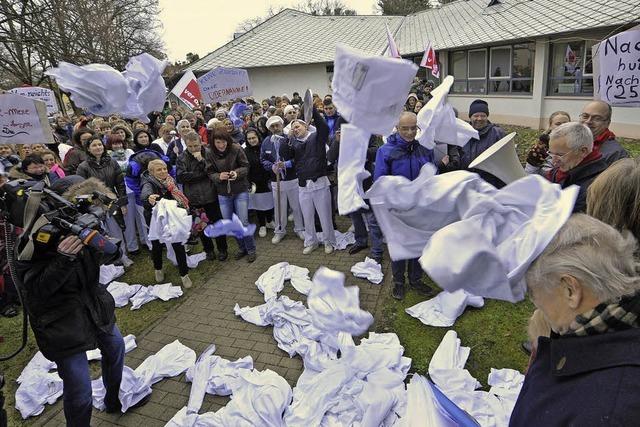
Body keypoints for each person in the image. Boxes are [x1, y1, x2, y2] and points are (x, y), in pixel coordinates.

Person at [14, 176, 133, 426]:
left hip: (95, 307)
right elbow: (35, 290)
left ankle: (112, 399)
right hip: (60, 321)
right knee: (80, 390)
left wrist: (108, 248)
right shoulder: (36, 238)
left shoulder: (87, 222)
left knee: (116, 349)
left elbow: (110, 257)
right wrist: (63, 259)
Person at [510, 214, 640, 426]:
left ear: (570, 290)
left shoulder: (609, 410)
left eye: (534, 293)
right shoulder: (621, 320)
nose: (536, 304)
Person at [374, 112, 436, 300]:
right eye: (405, 128)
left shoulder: (425, 150)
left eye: (413, 128)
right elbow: (380, 181)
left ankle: (416, 279)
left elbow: (432, 177)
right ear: (397, 128)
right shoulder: (385, 151)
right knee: (399, 247)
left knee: (417, 246)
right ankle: (399, 281)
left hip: (419, 209)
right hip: (397, 210)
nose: (409, 132)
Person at [327, 128, 384, 260]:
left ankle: (377, 251)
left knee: (371, 219)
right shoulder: (338, 134)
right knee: (355, 215)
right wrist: (337, 142)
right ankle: (361, 241)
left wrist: (360, 150)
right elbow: (330, 157)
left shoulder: (367, 132)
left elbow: (377, 151)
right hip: (349, 183)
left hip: (366, 182)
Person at [76, 135, 130, 265]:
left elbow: (120, 183)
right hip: (95, 204)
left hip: (112, 200)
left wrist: (122, 202)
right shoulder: (83, 167)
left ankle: (122, 256)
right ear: (88, 149)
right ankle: (109, 258)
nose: (98, 147)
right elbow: (81, 189)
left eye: (99, 144)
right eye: (94, 145)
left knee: (116, 229)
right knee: (103, 232)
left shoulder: (112, 162)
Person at [176, 131, 228, 261]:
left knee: (217, 223)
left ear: (200, 143)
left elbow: (213, 171)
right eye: (190, 146)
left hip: (211, 195)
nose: (194, 149)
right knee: (201, 226)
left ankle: (222, 249)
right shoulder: (182, 157)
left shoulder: (208, 153)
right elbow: (181, 177)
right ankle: (209, 250)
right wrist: (200, 174)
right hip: (194, 198)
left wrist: (201, 160)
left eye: (196, 146)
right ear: (186, 145)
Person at [206, 131, 257, 262]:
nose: (221, 145)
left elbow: (246, 166)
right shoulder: (210, 152)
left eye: (224, 142)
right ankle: (242, 248)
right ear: (213, 142)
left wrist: (236, 173)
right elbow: (209, 171)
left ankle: (251, 249)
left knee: (243, 221)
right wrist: (218, 176)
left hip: (240, 190)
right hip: (223, 192)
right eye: (218, 142)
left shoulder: (236, 148)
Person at [141, 160, 192, 287]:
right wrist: (149, 197)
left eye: (164, 168)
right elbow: (145, 195)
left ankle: (184, 274)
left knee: (178, 244)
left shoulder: (170, 180)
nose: (163, 171)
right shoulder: (148, 182)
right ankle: (158, 269)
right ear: (152, 172)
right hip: (156, 219)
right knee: (157, 246)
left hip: (172, 218)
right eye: (159, 170)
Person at [260, 115, 305, 244]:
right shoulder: (266, 142)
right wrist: (272, 166)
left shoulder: (290, 138)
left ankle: (299, 229)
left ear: (281, 125)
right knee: (279, 207)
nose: (275, 128)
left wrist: (287, 164)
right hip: (276, 180)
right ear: (269, 128)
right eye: (272, 126)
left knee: (296, 206)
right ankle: (280, 231)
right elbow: (262, 159)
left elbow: (298, 157)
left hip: (292, 178)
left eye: (277, 125)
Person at [546, 122, 607, 213]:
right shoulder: (562, 169)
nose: (554, 161)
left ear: (583, 151)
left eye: (560, 155)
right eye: (551, 153)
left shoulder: (595, 187)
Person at [125, 131, 171, 254]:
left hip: (162, 193)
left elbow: (170, 173)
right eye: (140, 136)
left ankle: (166, 242)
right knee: (147, 222)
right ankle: (152, 245)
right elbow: (131, 181)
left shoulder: (159, 157)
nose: (144, 138)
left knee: (164, 219)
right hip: (143, 197)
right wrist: (142, 194)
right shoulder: (134, 165)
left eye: (146, 136)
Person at [453, 99, 507, 187]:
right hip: (466, 183)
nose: (479, 119)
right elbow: (456, 156)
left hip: (490, 184)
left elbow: (505, 161)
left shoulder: (497, 134)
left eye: (483, 115)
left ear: (487, 116)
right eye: (476, 115)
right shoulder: (462, 133)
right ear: (470, 117)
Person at [243, 128, 275, 237]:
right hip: (254, 182)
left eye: (254, 138)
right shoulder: (245, 151)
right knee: (258, 204)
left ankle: (269, 221)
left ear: (258, 137)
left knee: (269, 201)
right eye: (249, 139)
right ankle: (262, 225)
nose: (252, 140)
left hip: (267, 180)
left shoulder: (264, 147)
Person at [578, 100, 628, 166]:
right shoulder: (571, 140)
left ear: (607, 123)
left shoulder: (616, 154)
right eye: (585, 116)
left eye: (597, 118)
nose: (588, 121)